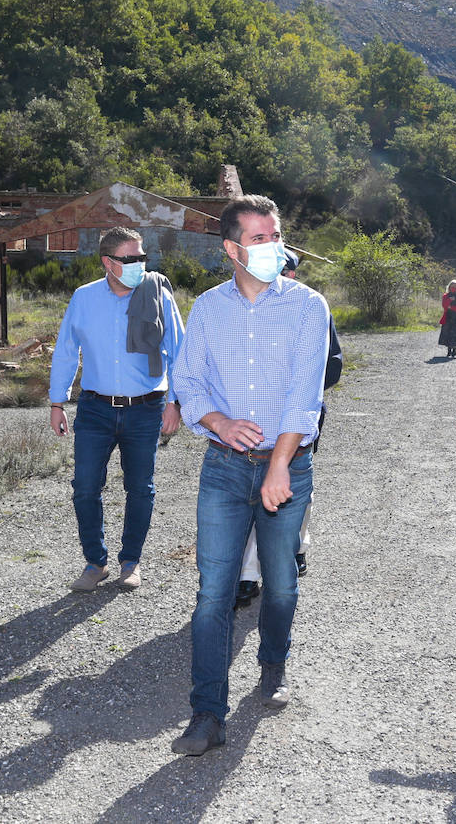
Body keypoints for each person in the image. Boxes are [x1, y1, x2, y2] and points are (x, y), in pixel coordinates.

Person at [170, 195, 330, 756]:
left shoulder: (310, 307)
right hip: (222, 469)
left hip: (288, 469)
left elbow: (303, 397)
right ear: (232, 250)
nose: (271, 247)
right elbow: (187, 381)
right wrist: (216, 419)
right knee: (213, 592)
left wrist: (280, 464)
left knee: (281, 583)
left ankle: (273, 663)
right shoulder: (209, 309)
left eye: (275, 234)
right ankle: (206, 713)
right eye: (259, 239)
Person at [49, 226, 184, 593]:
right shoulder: (84, 298)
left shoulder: (156, 295)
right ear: (108, 263)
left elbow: (179, 349)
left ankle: (131, 562)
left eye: (142, 257)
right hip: (95, 409)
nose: (141, 265)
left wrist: (176, 401)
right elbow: (66, 350)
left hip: (146, 408)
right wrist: (57, 402)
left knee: (140, 488)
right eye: (131, 259)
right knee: (85, 487)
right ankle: (95, 562)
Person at [235, 249, 344, 609]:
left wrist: (299, 393)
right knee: (252, 498)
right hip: (253, 424)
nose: (285, 277)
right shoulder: (240, 308)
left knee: (296, 493)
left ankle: (296, 548)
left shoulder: (313, 308)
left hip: (298, 423)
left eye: (289, 271)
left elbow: (334, 365)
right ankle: (248, 576)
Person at [438, 279, 456, 357]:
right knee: (447, 334)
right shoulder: (445, 296)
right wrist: (449, 300)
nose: (453, 288)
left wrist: (451, 307)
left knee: (455, 334)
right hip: (447, 317)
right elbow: (444, 305)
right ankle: (449, 351)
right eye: (452, 286)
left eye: (455, 287)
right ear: (449, 287)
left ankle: (454, 350)